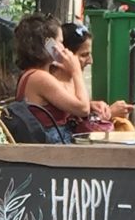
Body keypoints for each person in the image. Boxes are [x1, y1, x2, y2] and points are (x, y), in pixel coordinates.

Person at [13, 13, 91, 144]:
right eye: (60, 42)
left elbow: (73, 101)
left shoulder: (39, 74)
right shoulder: (39, 78)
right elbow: (83, 108)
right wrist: (76, 71)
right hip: (52, 147)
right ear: (48, 45)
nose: (64, 48)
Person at [60, 22, 132, 126]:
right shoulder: (56, 83)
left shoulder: (69, 81)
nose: (90, 61)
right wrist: (109, 113)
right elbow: (76, 125)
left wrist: (91, 105)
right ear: (66, 55)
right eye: (84, 55)